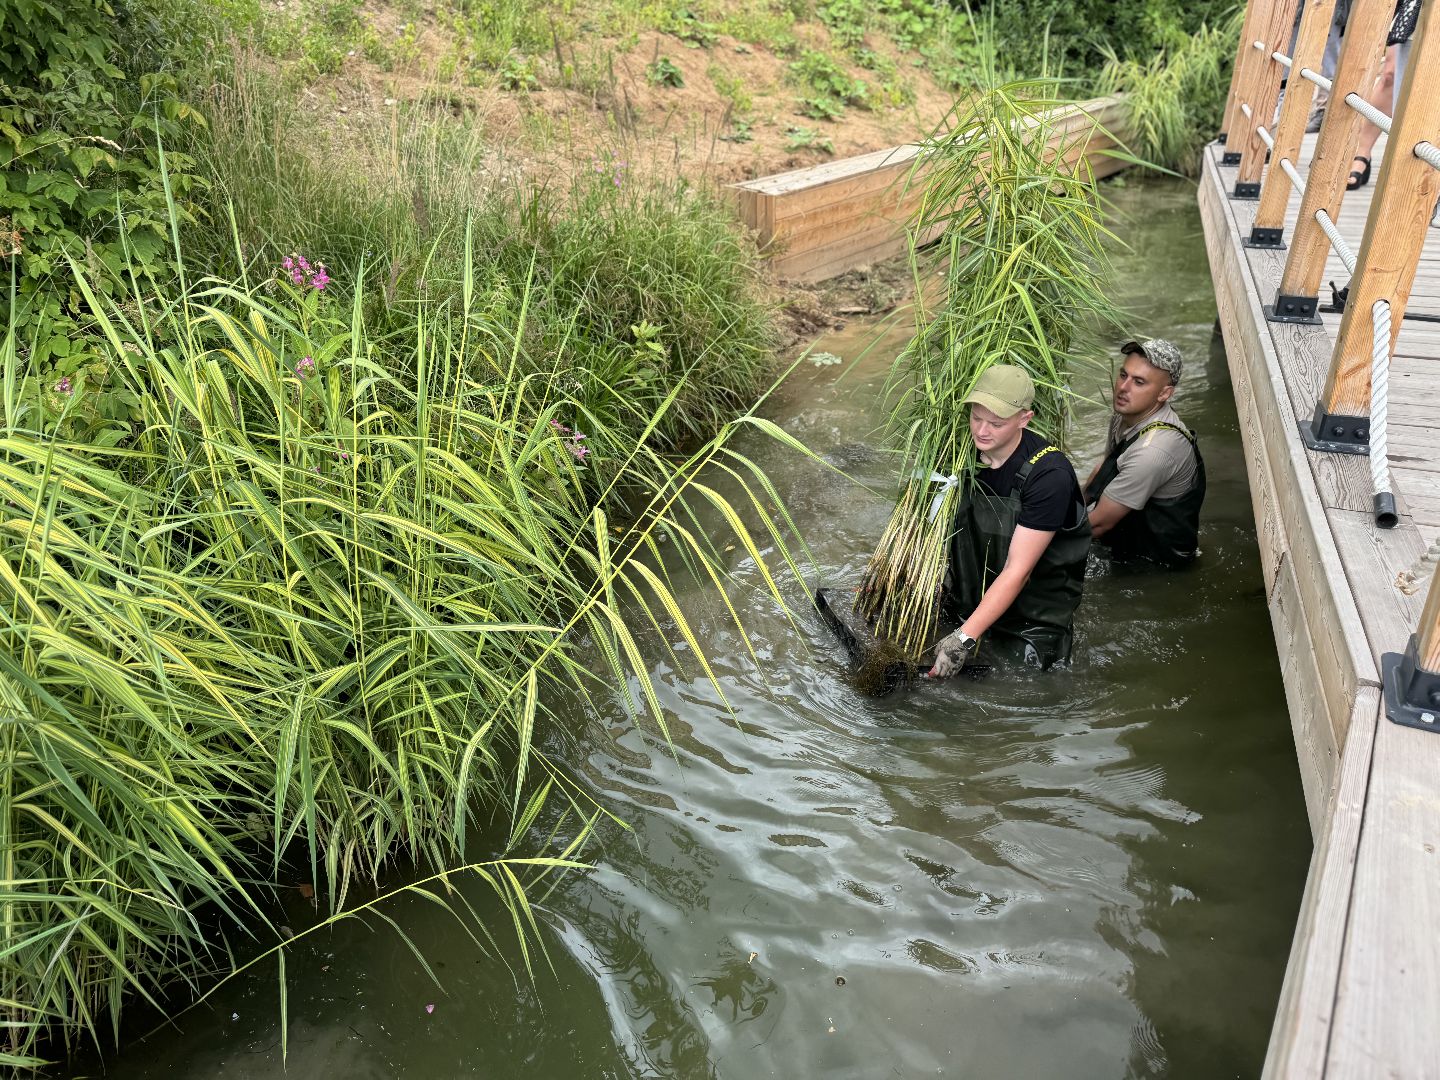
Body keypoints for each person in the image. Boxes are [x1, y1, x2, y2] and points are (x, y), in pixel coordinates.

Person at [929, 366, 1092, 677]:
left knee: (1016, 688)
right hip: (971, 598)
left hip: (1030, 621)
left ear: (1024, 419)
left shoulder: (1048, 475)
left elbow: (1018, 570)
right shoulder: (961, 453)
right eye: (976, 418)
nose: (981, 431)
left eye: (996, 423)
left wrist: (962, 639)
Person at [1084, 339, 1205, 568]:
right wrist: (1072, 505)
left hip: (1156, 564)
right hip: (1128, 535)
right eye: (1123, 375)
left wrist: (1038, 537)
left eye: (1139, 382)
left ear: (1164, 393)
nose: (1123, 387)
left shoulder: (1154, 451)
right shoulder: (1125, 414)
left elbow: (1098, 525)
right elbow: (1106, 466)